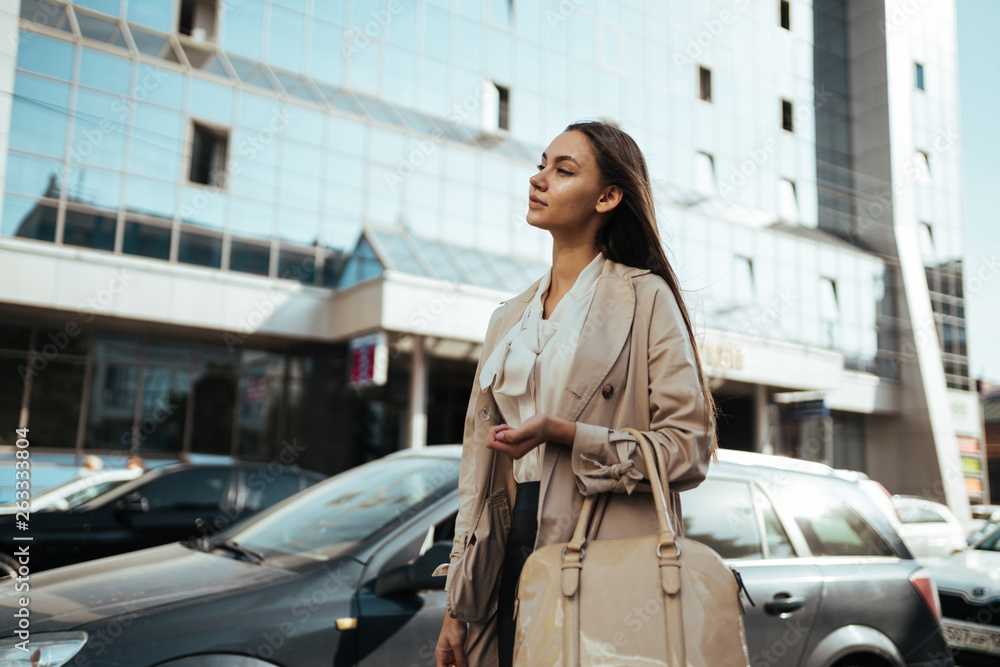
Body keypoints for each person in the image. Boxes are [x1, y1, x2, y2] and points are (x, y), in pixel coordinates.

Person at [435, 121, 717, 667]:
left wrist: (565, 435)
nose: (539, 179)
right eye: (542, 164)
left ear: (609, 196)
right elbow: (476, 476)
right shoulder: (507, 320)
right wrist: (458, 606)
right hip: (506, 557)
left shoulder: (644, 298)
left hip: (601, 554)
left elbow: (689, 449)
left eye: (563, 170)